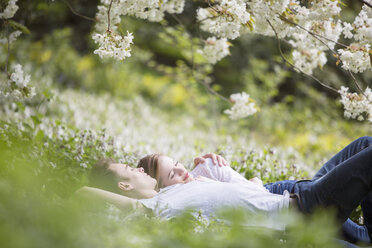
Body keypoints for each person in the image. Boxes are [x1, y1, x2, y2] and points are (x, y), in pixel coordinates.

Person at [78, 136, 372, 244]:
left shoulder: (172, 195)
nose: (137, 168)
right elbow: (134, 208)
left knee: (365, 144)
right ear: (124, 186)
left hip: (299, 201)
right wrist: (86, 193)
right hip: (305, 208)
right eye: (129, 170)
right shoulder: (162, 206)